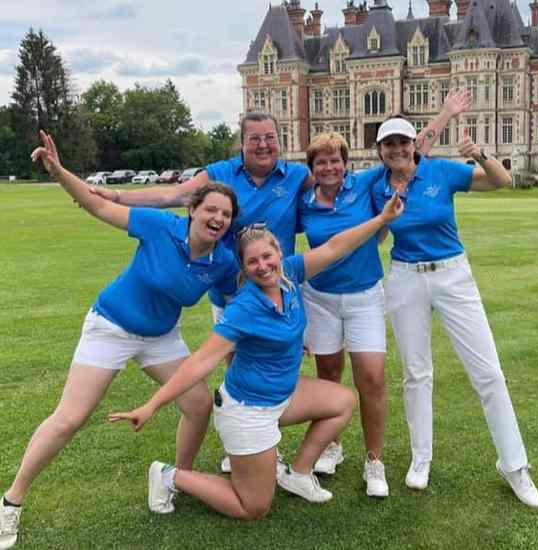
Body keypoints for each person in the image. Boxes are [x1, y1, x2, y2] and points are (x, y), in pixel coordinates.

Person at [93, 93, 472, 473]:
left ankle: (270, 445)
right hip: (229, 288)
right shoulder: (222, 172)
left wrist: (443, 117)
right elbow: (171, 194)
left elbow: (401, 156)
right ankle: (244, 445)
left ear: (280, 141)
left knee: (273, 367)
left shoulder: (295, 177)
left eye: (270, 137)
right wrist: (116, 194)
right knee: (237, 370)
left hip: (278, 286)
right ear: (242, 142)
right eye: (255, 138)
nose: (263, 144)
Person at [0, 132, 241, 550]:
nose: (218, 218)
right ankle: (11, 502)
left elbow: (237, 303)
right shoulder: (161, 227)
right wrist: (58, 171)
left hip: (161, 338)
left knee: (199, 404)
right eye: (211, 209)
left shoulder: (223, 263)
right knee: (70, 418)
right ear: (192, 209)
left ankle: (175, 478)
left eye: (226, 214)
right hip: (110, 326)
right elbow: (97, 204)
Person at [108, 192, 404, 520]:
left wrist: (382, 219)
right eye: (252, 262)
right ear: (244, 269)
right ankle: (169, 475)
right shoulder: (243, 308)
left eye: (268, 256)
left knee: (343, 401)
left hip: (283, 395)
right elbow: (201, 362)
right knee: (253, 507)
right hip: (247, 411)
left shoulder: (289, 274)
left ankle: (299, 472)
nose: (263, 267)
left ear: (279, 252)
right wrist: (152, 405)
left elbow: (336, 247)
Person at [370, 118, 538, 508]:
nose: (395, 149)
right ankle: (421, 458)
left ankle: (514, 466)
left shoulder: (440, 170)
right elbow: (378, 236)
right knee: (416, 373)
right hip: (405, 278)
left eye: (402, 142)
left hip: (451, 275)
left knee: (488, 372)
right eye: (388, 144)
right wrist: (385, 218)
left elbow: (501, 182)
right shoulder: (377, 183)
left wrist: (480, 153)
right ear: (380, 150)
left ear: (415, 143)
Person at [298, 133, 387, 497]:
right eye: (321, 162)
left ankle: (374, 462)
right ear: (312, 168)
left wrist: (444, 115)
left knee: (372, 378)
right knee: (329, 375)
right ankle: (332, 446)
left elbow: (408, 154)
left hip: (364, 295)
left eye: (335, 160)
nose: (329, 167)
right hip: (319, 298)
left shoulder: (364, 183)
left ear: (345, 163)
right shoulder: (304, 202)